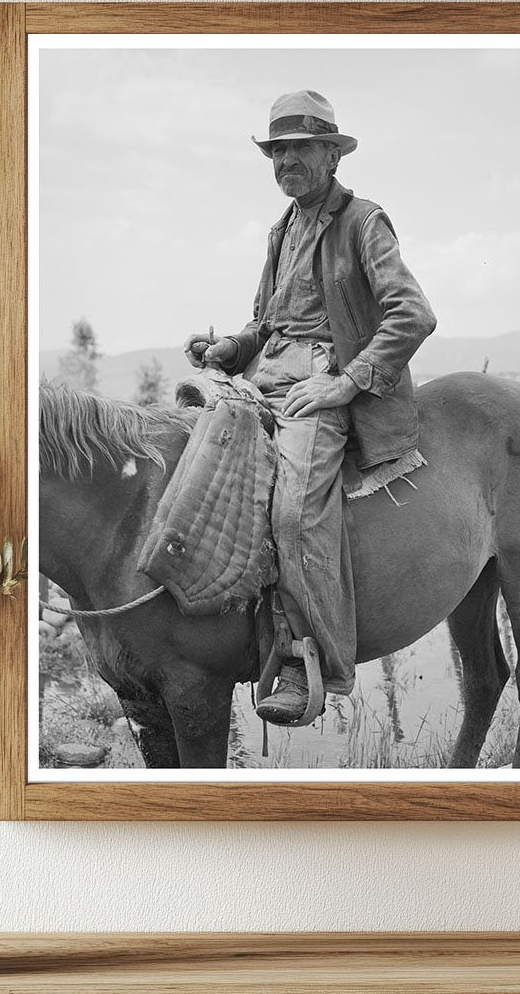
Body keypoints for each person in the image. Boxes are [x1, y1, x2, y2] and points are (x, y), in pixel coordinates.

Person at [183, 90, 436, 724]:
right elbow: (267, 322)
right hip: (264, 374)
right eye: (278, 151)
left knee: (294, 510)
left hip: (321, 379)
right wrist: (228, 348)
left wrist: (346, 383)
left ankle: (311, 660)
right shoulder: (283, 228)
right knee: (192, 471)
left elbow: (413, 313)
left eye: (300, 149)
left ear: (331, 153)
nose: (287, 161)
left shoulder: (364, 221)